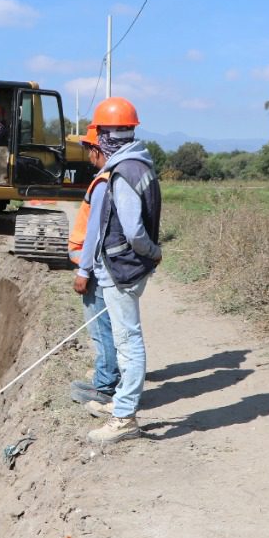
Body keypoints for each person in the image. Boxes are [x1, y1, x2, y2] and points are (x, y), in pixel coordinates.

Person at [83, 96, 162, 444]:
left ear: (106, 135)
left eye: (97, 133)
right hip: (127, 268)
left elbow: (133, 231)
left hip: (122, 269)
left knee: (128, 341)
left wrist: (152, 253)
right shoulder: (138, 165)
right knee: (124, 338)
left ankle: (125, 417)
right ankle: (120, 402)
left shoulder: (123, 172)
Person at [69, 124, 120, 407]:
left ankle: (104, 386)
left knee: (101, 327)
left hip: (96, 267)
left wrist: (83, 270)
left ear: (98, 149)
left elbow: (94, 233)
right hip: (107, 265)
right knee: (108, 325)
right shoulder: (117, 178)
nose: (87, 156)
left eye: (89, 150)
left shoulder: (103, 182)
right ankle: (107, 372)